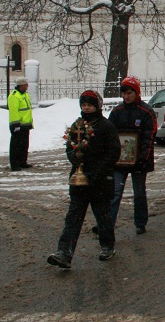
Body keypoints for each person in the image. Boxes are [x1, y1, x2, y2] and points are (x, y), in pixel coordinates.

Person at [47, 90, 120, 270]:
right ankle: (64, 253)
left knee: (102, 216)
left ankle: (107, 246)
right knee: (73, 218)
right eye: (84, 105)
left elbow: (113, 152)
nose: (86, 108)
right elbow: (70, 147)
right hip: (79, 182)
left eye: (89, 104)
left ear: (97, 106)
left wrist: (98, 171)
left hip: (99, 181)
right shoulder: (77, 125)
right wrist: (75, 158)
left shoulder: (106, 126)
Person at [107, 76, 157, 235]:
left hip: (139, 161)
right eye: (124, 93)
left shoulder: (145, 112)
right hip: (120, 161)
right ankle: (108, 223)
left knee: (139, 193)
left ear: (136, 93)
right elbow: (110, 134)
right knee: (115, 192)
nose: (126, 96)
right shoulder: (117, 112)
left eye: (129, 93)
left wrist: (142, 158)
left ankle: (140, 222)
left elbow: (149, 136)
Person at [7, 76, 33, 171]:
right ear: (21, 85)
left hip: (25, 125)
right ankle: (15, 164)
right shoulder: (14, 96)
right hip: (18, 125)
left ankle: (22, 162)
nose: (27, 86)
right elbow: (14, 111)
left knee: (24, 145)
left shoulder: (24, 95)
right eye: (26, 84)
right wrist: (15, 125)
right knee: (16, 146)